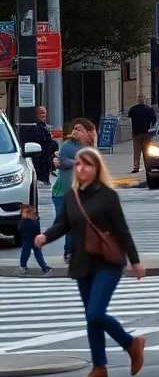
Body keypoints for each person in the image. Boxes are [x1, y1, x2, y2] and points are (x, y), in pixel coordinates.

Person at [36, 146, 146, 377]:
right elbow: (62, 225)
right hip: (82, 263)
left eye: (87, 164)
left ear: (97, 169)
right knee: (91, 317)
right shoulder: (71, 196)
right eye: (78, 164)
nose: (82, 168)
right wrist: (45, 237)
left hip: (108, 262)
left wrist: (135, 261)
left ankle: (131, 344)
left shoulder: (108, 196)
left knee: (96, 312)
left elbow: (122, 230)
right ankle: (99, 368)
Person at [52, 118, 94, 265]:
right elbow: (62, 162)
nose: (75, 131)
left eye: (79, 129)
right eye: (74, 129)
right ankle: (69, 251)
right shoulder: (68, 145)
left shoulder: (91, 149)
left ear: (87, 132)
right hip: (62, 192)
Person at [17, 204, 49, 276]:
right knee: (38, 254)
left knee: (25, 254)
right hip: (35, 239)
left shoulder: (22, 223)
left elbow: (20, 230)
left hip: (27, 240)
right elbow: (37, 230)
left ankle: (23, 266)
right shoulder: (34, 223)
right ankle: (44, 267)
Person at [128, 94, 157, 173]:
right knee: (146, 151)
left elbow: (130, 117)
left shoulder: (133, 109)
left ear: (138, 99)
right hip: (146, 133)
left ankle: (136, 167)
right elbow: (154, 120)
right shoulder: (149, 110)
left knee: (137, 152)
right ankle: (147, 166)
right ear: (145, 99)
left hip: (136, 133)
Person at [31, 106, 57, 185]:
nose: (43, 115)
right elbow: (42, 141)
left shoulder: (45, 126)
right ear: (36, 115)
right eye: (41, 113)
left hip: (47, 159)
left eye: (44, 113)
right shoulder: (34, 127)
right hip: (39, 160)